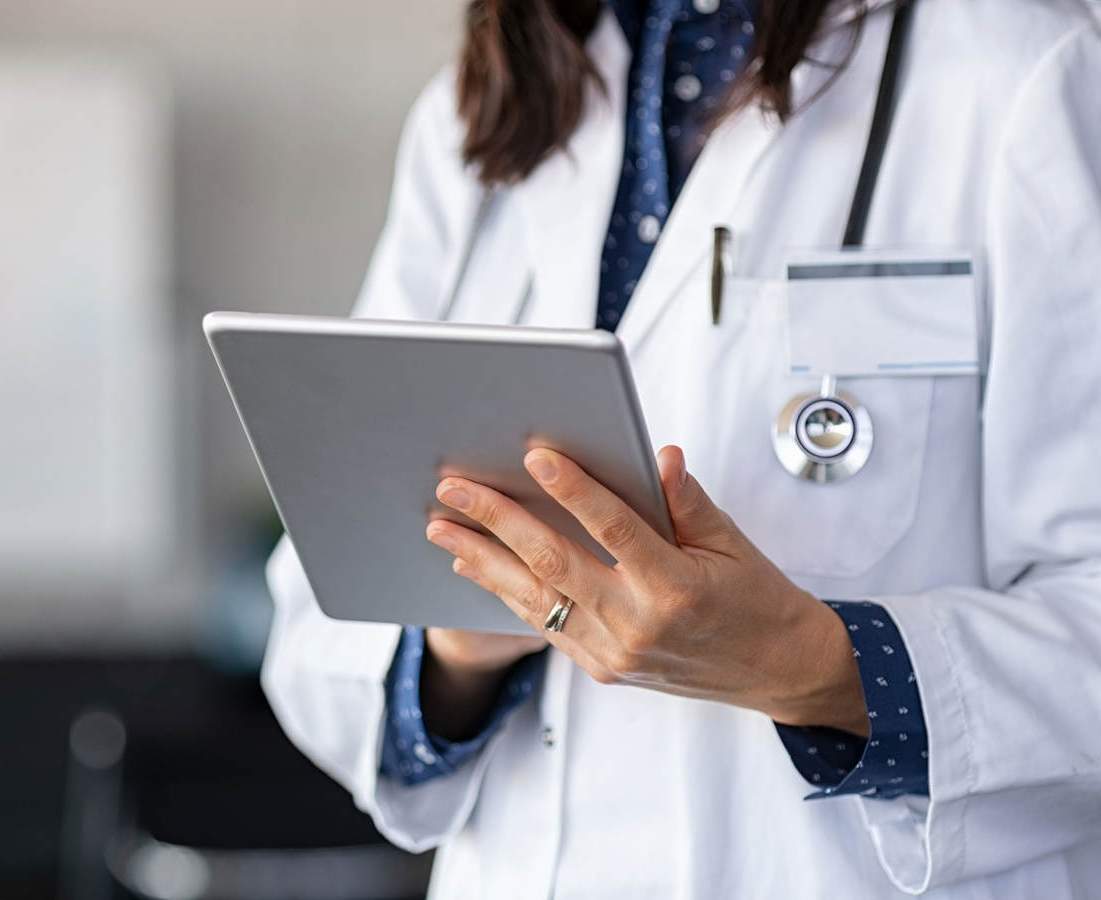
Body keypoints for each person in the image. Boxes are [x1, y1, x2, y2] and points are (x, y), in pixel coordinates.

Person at [261, 0, 1101, 895]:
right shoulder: (480, 108)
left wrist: (815, 666)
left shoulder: (1029, 71)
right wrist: (459, 650)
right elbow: (317, 621)